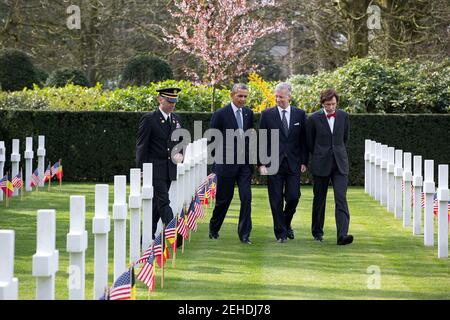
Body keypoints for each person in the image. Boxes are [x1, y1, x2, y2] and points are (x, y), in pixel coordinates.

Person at [258, 82, 308, 243]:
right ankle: (280, 233)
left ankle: (286, 223)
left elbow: (304, 141)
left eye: (281, 96)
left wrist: (304, 161)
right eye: (276, 96)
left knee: (294, 196)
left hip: (293, 162)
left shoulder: (300, 114)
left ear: (289, 96)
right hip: (273, 163)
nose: (278, 99)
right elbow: (261, 140)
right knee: (276, 199)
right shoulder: (267, 115)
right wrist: (261, 163)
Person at [306, 88, 353, 245]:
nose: (331, 107)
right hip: (321, 163)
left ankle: (342, 235)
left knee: (341, 198)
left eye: (333, 104)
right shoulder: (313, 118)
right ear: (322, 103)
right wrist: (320, 153)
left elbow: (344, 139)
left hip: (340, 163)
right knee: (320, 199)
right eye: (327, 105)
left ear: (337, 103)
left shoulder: (344, 116)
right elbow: (310, 142)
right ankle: (317, 232)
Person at [209, 83, 254, 244]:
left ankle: (244, 234)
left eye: (245, 96)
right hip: (225, 165)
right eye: (239, 96)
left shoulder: (249, 113)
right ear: (231, 95)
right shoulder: (221, 114)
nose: (242, 99)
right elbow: (212, 140)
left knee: (246, 198)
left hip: (244, 165)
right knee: (223, 200)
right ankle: (214, 228)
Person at [136, 87, 184, 239]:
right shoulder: (150, 119)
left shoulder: (176, 119)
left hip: (169, 169)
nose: (172, 104)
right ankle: (174, 234)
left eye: (174, 101)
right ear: (160, 99)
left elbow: (180, 141)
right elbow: (142, 146)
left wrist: (180, 154)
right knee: (163, 201)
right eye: (169, 101)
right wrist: (141, 170)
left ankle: (146, 236)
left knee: (157, 205)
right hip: (154, 169)